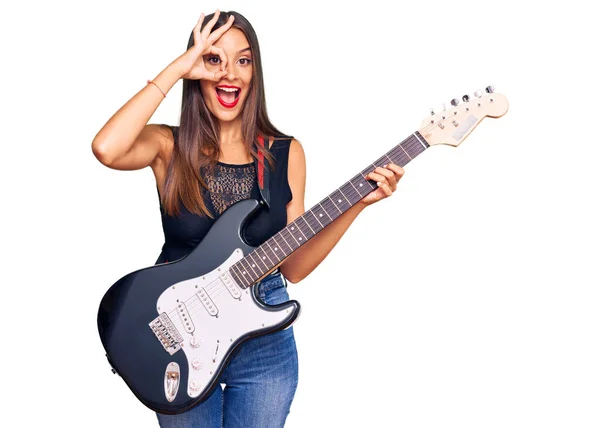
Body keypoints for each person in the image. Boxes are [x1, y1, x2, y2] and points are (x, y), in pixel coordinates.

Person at [91, 9, 404, 428]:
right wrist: (179, 68)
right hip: (178, 332)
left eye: (243, 60)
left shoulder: (285, 153)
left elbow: (294, 267)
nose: (230, 74)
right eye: (214, 59)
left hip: (264, 340)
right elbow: (107, 148)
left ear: (255, 71)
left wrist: (357, 206)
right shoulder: (168, 145)